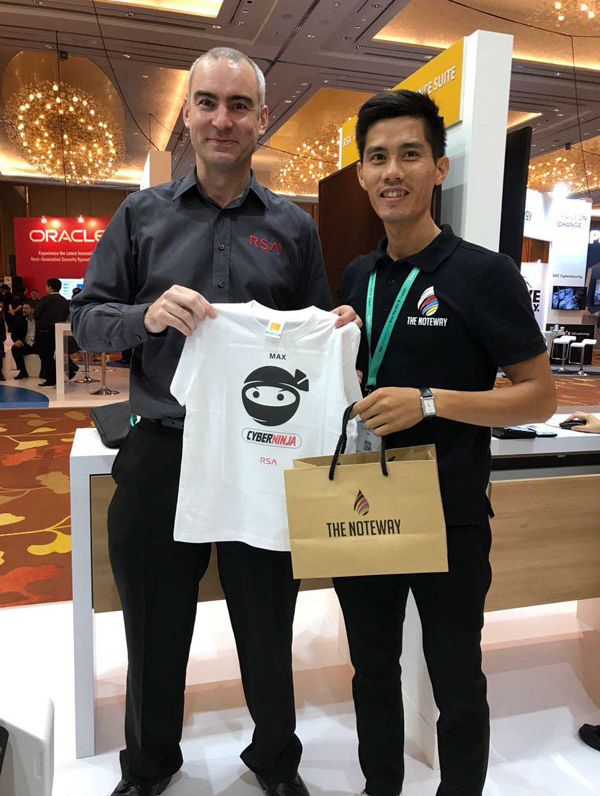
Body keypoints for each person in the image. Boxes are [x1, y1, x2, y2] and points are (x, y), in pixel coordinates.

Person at [71, 47, 358, 796]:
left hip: (265, 456)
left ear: (263, 119)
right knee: (154, 625)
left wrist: (335, 328)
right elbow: (86, 326)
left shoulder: (294, 228)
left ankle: (275, 760)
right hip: (163, 449)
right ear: (187, 116)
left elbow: (314, 329)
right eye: (207, 103)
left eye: (238, 106)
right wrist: (144, 314)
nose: (221, 119)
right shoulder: (141, 216)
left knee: (268, 621)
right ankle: (148, 766)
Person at [333, 90, 557, 796]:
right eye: (377, 157)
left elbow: (539, 394)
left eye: (409, 154)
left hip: (450, 511)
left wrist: (430, 402)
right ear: (362, 174)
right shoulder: (359, 276)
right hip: (365, 502)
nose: (391, 171)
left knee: (456, 677)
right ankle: (381, 788)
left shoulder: (483, 274)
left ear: (438, 168)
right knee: (370, 668)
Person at [34, 277, 78, 386]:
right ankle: (70, 368)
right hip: (58, 331)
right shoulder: (65, 301)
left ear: (49, 287)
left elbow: (36, 315)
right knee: (56, 353)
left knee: (46, 356)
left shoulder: (44, 299)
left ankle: (51, 379)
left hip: (44, 331)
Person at [11, 301, 39, 379]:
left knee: (47, 350)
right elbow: (14, 332)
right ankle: (22, 371)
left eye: (26, 308)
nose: (23, 310)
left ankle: (44, 371)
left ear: (33, 310)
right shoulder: (19, 319)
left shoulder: (39, 320)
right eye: (23, 308)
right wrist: (16, 340)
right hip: (25, 344)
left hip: (37, 344)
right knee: (15, 349)